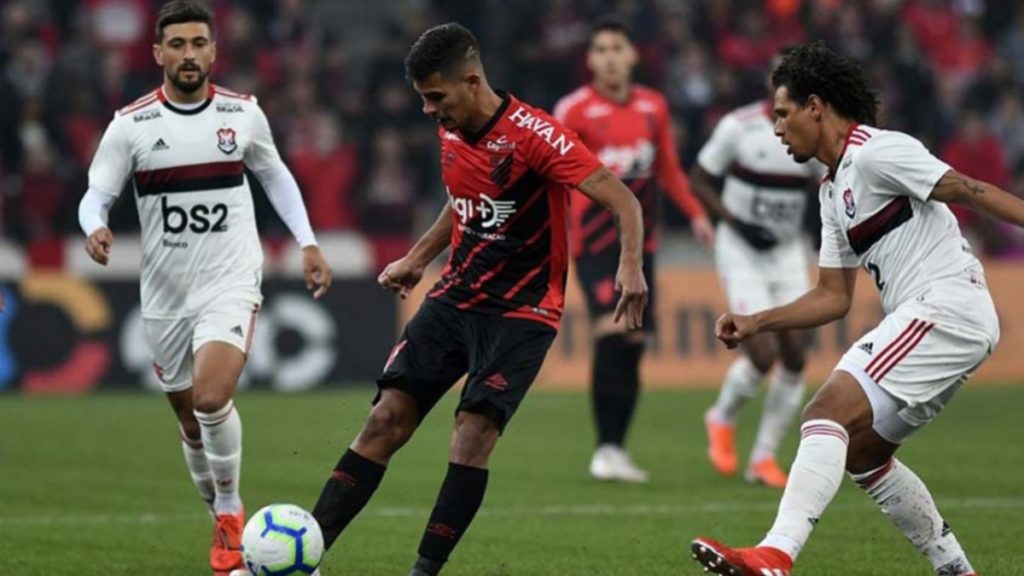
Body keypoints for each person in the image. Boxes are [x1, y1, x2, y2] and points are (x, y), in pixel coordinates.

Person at [310, 23, 647, 576]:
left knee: (471, 437)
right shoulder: (452, 128)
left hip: (521, 313)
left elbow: (624, 200)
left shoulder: (537, 135)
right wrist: (418, 258)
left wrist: (629, 268)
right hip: (454, 297)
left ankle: (424, 572)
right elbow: (463, 200)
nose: (427, 111)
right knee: (383, 421)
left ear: (471, 81)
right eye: (423, 98)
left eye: (435, 97)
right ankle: (307, 555)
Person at [691, 41, 1023, 576]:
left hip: (945, 303)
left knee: (825, 412)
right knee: (864, 456)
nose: (776, 129)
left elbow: (966, 188)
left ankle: (775, 555)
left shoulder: (876, 151)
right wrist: (757, 321)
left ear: (816, 107)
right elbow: (832, 297)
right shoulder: (830, 191)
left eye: (783, 114)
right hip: (940, 318)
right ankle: (958, 570)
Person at [77, 2, 331, 574]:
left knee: (211, 399)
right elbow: (96, 192)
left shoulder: (244, 115)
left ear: (214, 50)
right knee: (190, 423)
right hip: (165, 294)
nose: (189, 54)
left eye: (199, 43)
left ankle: (231, 515)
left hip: (231, 279)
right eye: (178, 44)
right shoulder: (132, 125)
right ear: (158, 52)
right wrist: (94, 224)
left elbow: (275, 175)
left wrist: (308, 242)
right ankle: (219, 505)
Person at [552, 18, 714, 483]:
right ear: (590, 59)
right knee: (611, 330)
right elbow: (555, 176)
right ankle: (604, 450)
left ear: (632, 55)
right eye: (599, 49)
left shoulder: (652, 106)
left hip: (642, 245)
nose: (608, 56)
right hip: (595, 244)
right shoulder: (574, 109)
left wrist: (697, 214)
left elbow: (667, 169)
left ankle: (616, 449)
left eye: (616, 48)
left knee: (635, 341)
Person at [691, 48, 821, 489]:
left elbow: (832, 182)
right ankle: (721, 416)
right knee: (761, 353)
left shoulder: (815, 133)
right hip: (740, 248)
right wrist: (736, 223)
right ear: (769, 79)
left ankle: (763, 458)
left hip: (786, 250)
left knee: (796, 355)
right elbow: (700, 179)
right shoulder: (739, 126)